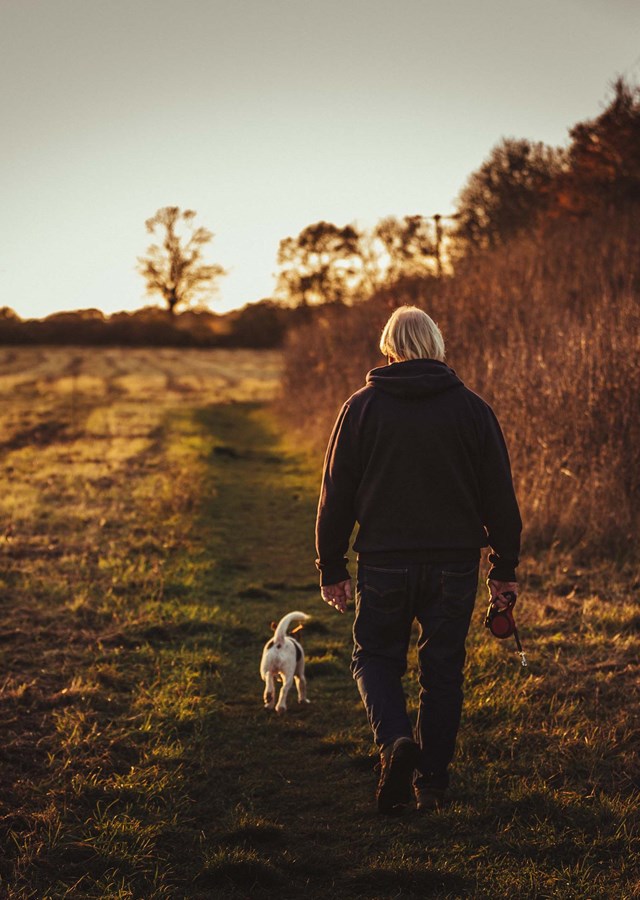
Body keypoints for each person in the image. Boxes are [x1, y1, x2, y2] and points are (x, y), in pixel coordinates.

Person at [315, 305, 522, 815]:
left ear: (388, 347)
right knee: (443, 671)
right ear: (437, 346)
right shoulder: (473, 409)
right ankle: (431, 783)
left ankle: (394, 743)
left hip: (384, 562)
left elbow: (336, 493)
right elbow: (500, 497)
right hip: (454, 564)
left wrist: (332, 566)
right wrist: (504, 569)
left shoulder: (360, 408)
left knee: (374, 657)